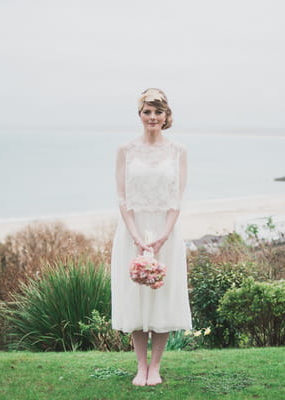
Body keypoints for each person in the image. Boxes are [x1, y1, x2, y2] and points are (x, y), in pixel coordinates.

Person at [110, 88, 192, 386]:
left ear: (166, 115)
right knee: (135, 297)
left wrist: (162, 237)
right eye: (147, 112)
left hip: (165, 233)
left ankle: (155, 367)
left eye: (158, 112)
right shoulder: (126, 150)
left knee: (162, 297)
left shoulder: (178, 151)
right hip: (132, 231)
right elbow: (121, 197)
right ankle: (140, 366)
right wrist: (135, 236)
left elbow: (177, 200)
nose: (153, 117)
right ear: (140, 115)